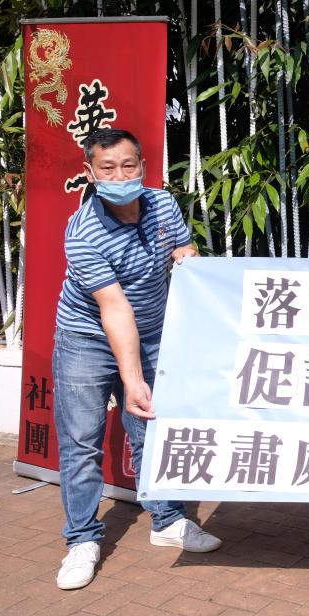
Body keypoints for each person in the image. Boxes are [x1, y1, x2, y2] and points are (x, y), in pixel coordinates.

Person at [53, 129, 221, 592]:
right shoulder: (83, 231)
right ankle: (82, 540)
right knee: (81, 443)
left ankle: (167, 521)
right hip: (87, 339)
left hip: (151, 334)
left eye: (128, 166)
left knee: (154, 430)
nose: (120, 176)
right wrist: (132, 380)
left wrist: (187, 255)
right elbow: (114, 309)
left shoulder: (163, 204)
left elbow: (182, 251)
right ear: (90, 173)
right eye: (107, 168)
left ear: (143, 167)